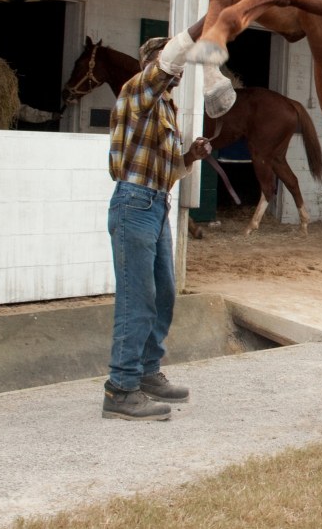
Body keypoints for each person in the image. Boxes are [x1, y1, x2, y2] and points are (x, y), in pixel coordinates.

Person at [102, 27, 232, 421]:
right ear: (152, 65)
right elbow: (163, 68)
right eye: (171, 67)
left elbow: (168, 170)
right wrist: (201, 28)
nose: (177, 75)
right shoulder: (137, 92)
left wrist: (191, 156)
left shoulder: (165, 108)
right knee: (136, 299)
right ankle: (120, 389)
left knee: (163, 296)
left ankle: (145, 373)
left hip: (155, 203)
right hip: (134, 205)